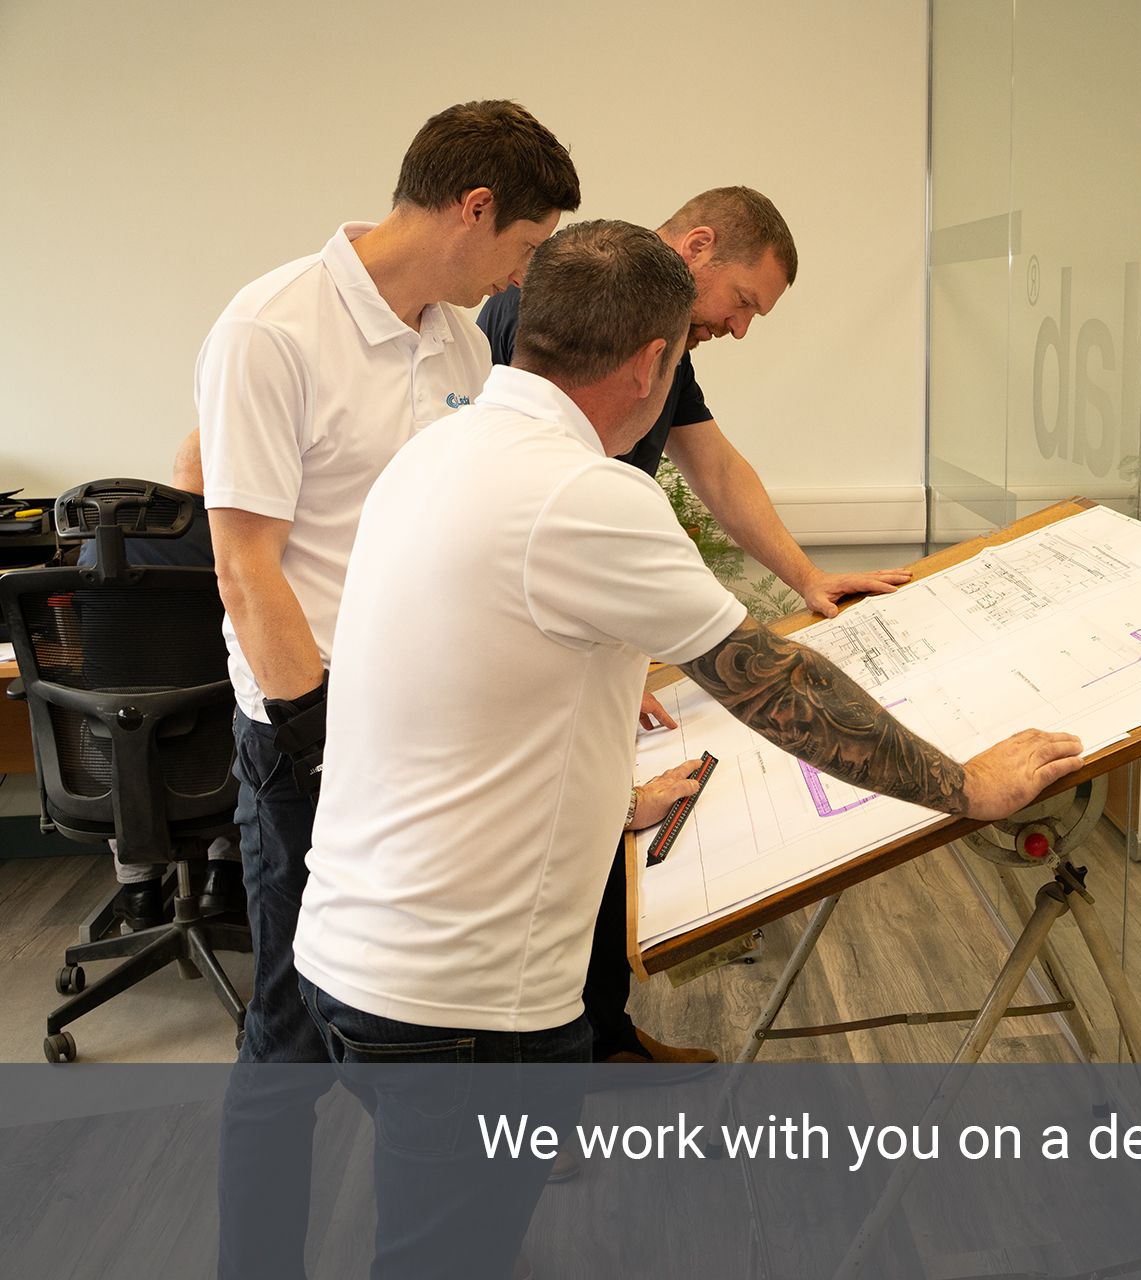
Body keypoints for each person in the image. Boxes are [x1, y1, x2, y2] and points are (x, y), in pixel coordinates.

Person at [293, 219, 1082, 1278]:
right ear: (653, 363)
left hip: (348, 956)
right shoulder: (588, 495)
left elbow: (451, 696)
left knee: (442, 1234)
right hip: (461, 1007)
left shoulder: (435, 452)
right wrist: (965, 786)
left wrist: (605, 800)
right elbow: (775, 684)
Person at [199, 99, 579, 1280]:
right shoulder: (274, 328)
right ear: (473, 210)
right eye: (524, 246)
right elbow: (244, 562)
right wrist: (318, 743)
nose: (523, 274)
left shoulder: (463, 345)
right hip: (306, 738)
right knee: (289, 1040)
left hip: (424, 745)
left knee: (406, 1016)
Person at [479, 186, 910, 1066]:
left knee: (595, 845)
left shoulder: (667, 340)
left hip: (583, 638)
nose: (742, 329)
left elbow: (714, 463)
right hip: (520, 634)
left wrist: (807, 577)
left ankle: (599, 1044)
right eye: (743, 302)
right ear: (699, 247)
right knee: (536, 865)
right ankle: (536, 1094)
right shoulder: (561, 302)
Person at [74, 431, 244, 928]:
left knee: (120, 719)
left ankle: (140, 893)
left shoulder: (95, 546)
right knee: (244, 715)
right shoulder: (228, 536)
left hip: (111, 752)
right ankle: (223, 878)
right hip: (211, 755)